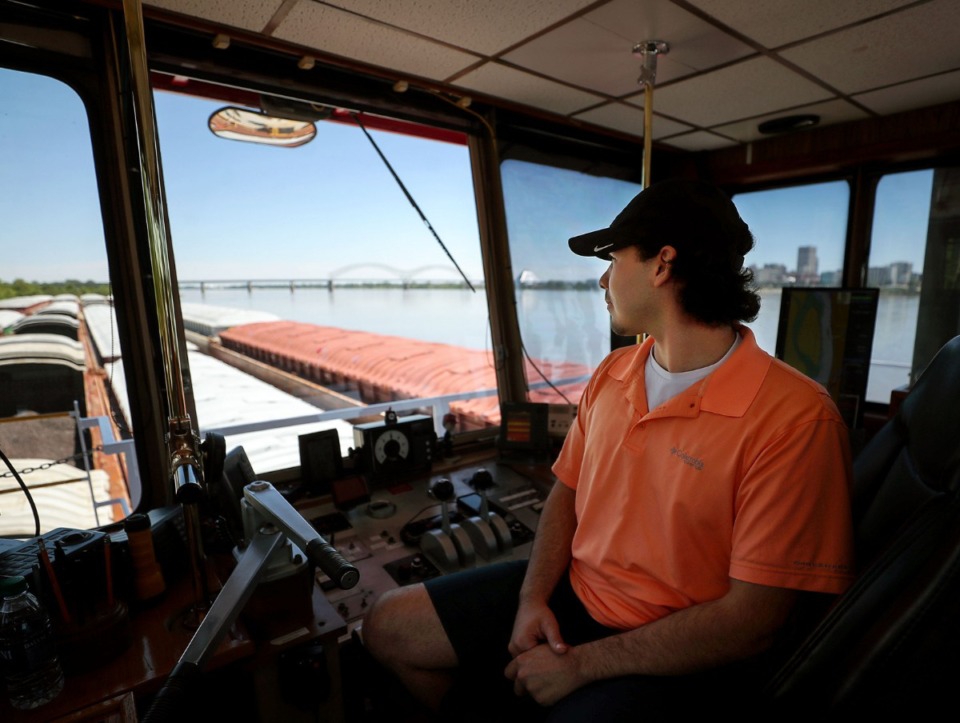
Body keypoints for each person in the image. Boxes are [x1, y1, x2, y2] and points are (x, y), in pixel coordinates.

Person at [362, 179, 854, 721]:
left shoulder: (796, 418)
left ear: (661, 265)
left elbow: (752, 621)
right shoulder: (612, 374)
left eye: (612, 259)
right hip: (575, 593)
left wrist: (583, 665)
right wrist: (532, 599)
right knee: (386, 626)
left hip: (677, 649)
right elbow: (566, 496)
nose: (603, 279)